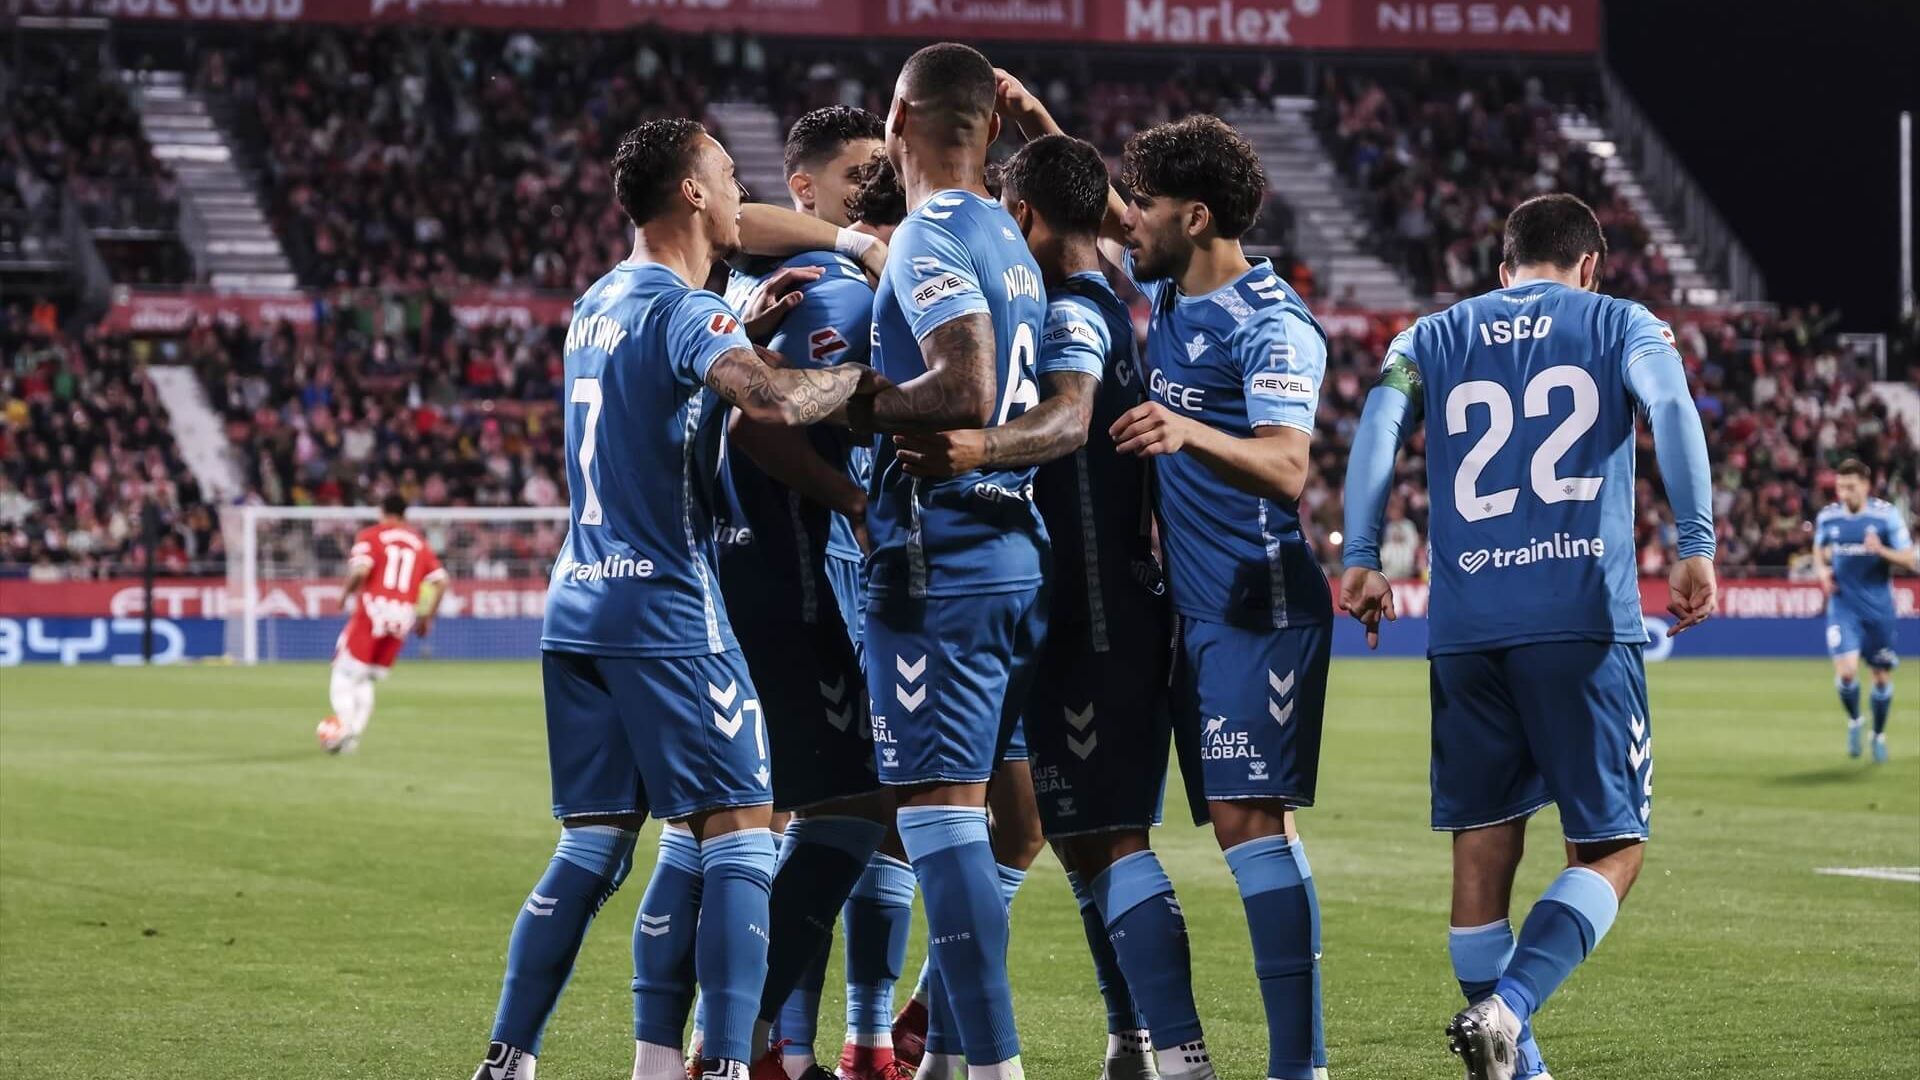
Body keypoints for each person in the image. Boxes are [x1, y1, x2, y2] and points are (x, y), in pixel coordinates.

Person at [470, 118, 878, 1080]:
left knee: (593, 849)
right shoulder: (686, 310)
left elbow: (664, 397)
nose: (740, 194)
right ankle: (728, 1065)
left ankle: (508, 1060)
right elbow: (769, 403)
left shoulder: (597, 301)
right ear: (692, 192)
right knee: (740, 830)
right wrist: (855, 380)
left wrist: (742, 337)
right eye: (728, 176)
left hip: (578, 605)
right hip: (666, 607)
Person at [1339, 192, 1718, 1080]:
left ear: (1504, 269)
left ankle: (1523, 1066)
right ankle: (1508, 1009)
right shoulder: (1624, 322)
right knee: (1613, 848)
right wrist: (1695, 544)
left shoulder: (1427, 337)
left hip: (1465, 629)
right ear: (1589, 265)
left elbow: (1378, 427)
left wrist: (1361, 557)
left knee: (1481, 861)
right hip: (1580, 619)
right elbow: (1671, 408)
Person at [899, 81, 1222, 1080]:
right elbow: (1095, 210)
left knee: (1109, 839)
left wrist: (978, 448)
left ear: (1029, 216)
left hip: (1097, 611)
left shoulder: (1078, 310)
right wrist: (1042, 129)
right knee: (1070, 836)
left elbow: (1070, 419)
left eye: (1011, 217)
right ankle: (1115, 1043)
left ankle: (1180, 1058)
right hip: (1075, 603)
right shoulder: (1107, 288)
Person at [1106, 114, 1334, 1080]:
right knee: (1217, 824)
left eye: (1145, 204)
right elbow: (1106, 212)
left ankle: (1299, 1068)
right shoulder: (1169, 285)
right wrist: (1034, 120)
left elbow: (1287, 467)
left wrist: (1186, 430)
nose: (1128, 220)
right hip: (1190, 610)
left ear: (1195, 217)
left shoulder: (1271, 323)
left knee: (1251, 825)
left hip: (1258, 603)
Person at [847, 41, 1050, 1080]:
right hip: (1010, 553)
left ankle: (994, 1067)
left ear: (898, 118)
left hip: (942, 558)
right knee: (988, 820)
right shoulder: (1012, 237)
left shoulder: (929, 230)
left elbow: (965, 385)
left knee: (936, 819)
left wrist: (847, 399)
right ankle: (941, 1057)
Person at [707, 105, 897, 1080]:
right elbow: (762, 421)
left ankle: (777, 1047)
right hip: (789, 574)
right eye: (859, 171)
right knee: (853, 809)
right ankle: (733, 1043)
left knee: (791, 815)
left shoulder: (760, 275)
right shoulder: (826, 278)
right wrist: (857, 497)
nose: (875, 184)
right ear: (806, 188)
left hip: (771, 572)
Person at [318, 492, 446, 754]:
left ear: (382, 511)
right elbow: (441, 581)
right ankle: (352, 737)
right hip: (402, 618)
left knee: (343, 673)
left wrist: (344, 594)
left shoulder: (371, 535)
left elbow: (361, 570)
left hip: (374, 612)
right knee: (364, 678)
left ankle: (343, 730)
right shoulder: (419, 543)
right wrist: (426, 617)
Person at [1814, 457, 1913, 762]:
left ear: (1866, 486)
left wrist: (1880, 550)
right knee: (1847, 672)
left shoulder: (1886, 516)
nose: (1844, 493)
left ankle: (1878, 734)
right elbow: (1818, 548)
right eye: (1841, 487)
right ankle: (1856, 720)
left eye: (1851, 487)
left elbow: (1909, 559)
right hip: (1843, 606)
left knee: (1880, 677)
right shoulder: (1828, 517)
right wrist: (1822, 572)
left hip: (1879, 609)